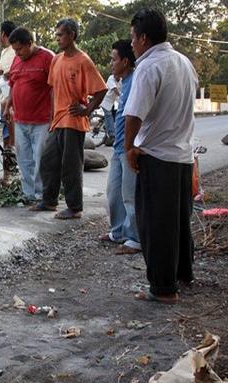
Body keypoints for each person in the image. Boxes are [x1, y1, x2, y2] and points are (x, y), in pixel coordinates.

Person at [123, 9, 198, 304]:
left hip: (157, 155)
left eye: (132, 38)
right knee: (179, 221)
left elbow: (133, 115)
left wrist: (129, 148)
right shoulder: (183, 62)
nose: (131, 44)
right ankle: (182, 274)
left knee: (156, 225)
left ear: (143, 38)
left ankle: (164, 288)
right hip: (182, 155)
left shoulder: (149, 66)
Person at [30, 18, 107, 219]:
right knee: (48, 161)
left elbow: (100, 90)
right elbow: (53, 89)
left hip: (73, 122)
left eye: (60, 34)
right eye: (56, 35)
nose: (57, 39)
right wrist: (51, 117)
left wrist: (87, 109)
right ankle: (49, 201)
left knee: (71, 167)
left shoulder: (83, 60)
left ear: (72, 34)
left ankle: (74, 208)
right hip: (58, 121)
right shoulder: (56, 59)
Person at [98, 39, 140, 255]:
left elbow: (135, 116)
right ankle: (118, 232)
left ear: (125, 61)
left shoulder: (136, 81)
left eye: (114, 59)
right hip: (118, 146)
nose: (111, 63)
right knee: (113, 192)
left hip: (129, 146)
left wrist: (130, 146)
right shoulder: (122, 82)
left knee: (129, 195)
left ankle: (134, 238)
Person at [5, 27, 54, 202]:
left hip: (42, 120)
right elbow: (12, 84)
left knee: (40, 159)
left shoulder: (48, 57)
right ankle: (29, 194)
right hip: (20, 120)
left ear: (30, 43)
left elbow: (56, 87)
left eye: (19, 49)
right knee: (24, 159)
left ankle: (42, 195)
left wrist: (55, 115)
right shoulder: (16, 61)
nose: (17, 53)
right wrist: (7, 107)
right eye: (15, 50)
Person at [0, 20, 17, 182]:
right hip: (4, 102)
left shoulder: (16, 52)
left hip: (16, 103)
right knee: (6, 140)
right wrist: (3, 76)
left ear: (4, 34)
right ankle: (6, 176)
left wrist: (4, 76)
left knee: (15, 142)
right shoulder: (4, 53)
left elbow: (12, 76)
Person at [100, 74, 120, 142]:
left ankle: (108, 126)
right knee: (109, 115)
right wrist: (122, 96)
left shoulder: (122, 80)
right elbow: (115, 89)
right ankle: (112, 135)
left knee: (116, 116)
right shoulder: (111, 78)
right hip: (106, 101)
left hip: (113, 102)